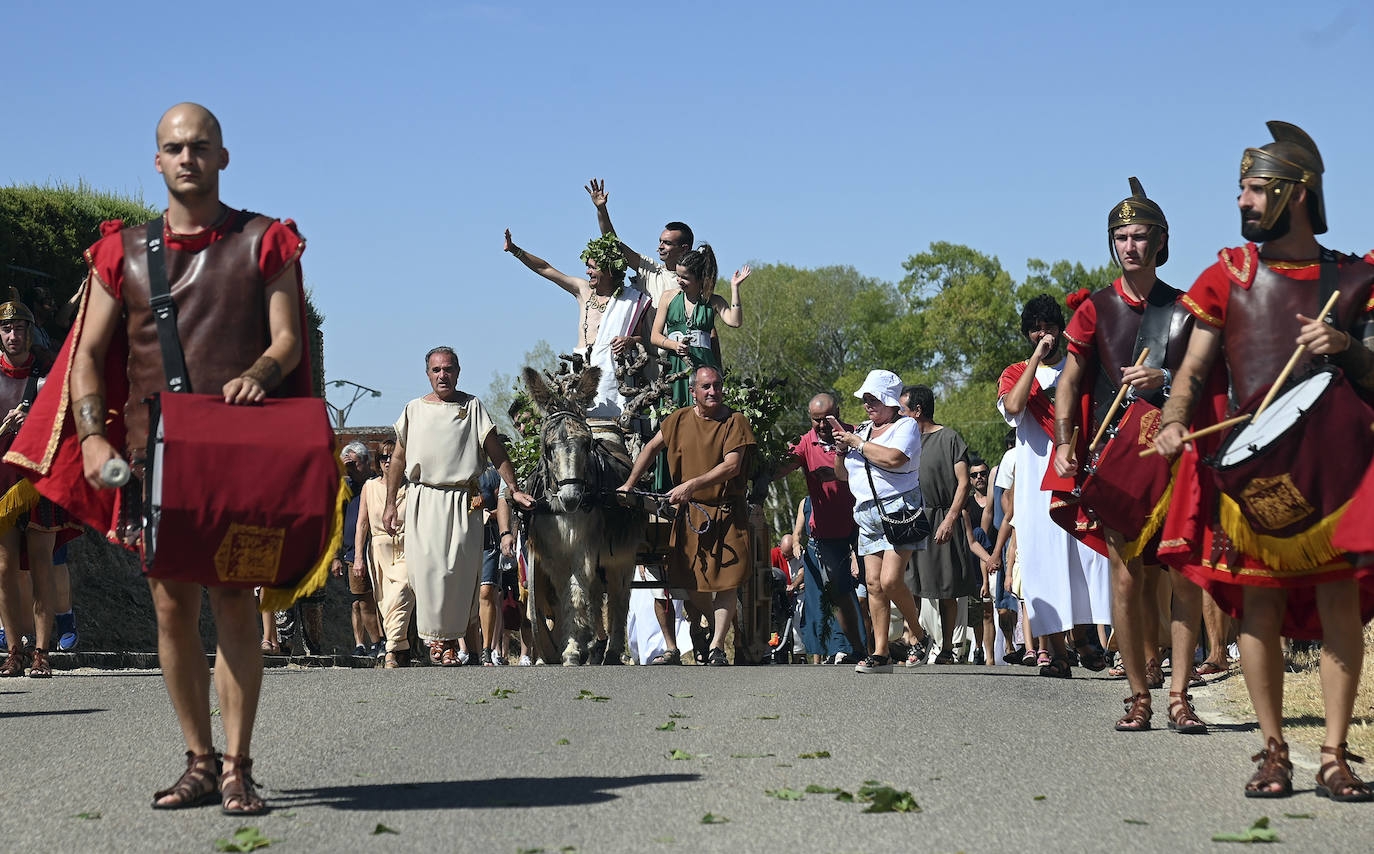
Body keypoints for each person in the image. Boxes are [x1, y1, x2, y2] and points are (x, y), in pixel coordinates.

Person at [15, 103, 317, 814]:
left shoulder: (265, 242)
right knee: (171, 607)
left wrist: (263, 377)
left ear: (223, 157)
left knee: (234, 603)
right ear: (157, 161)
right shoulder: (121, 253)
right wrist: (91, 437)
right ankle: (200, 760)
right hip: (156, 458)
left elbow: (288, 341)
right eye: (174, 148)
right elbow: (87, 356)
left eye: (200, 146)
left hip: (237, 455)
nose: (188, 157)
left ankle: (239, 765)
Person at [1154, 121, 1374, 800]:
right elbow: (1192, 370)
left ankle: (1335, 754)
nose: (1244, 202)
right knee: (1261, 607)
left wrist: (1346, 344)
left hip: (1334, 470)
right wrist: (1170, 420)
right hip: (1256, 473)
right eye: (1243, 190)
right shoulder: (1228, 274)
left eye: (1255, 190)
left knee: (1339, 602)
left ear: (1296, 193)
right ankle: (1273, 749)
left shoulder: (1356, 278)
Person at [1051, 179, 1205, 733]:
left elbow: (1210, 378)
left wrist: (1164, 377)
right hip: (1118, 458)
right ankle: (1139, 693)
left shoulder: (1185, 309)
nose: (1130, 246)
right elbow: (1069, 381)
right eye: (1121, 237)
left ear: (1161, 243)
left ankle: (1180, 696)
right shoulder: (1095, 308)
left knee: (1185, 576)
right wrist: (1066, 439)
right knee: (1124, 577)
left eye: (1141, 237)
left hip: (1174, 454)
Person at [383, 347, 533, 666]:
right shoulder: (413, 409)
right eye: (436, 370)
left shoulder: (472, 406)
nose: (442, 375)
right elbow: (398, 457)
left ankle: (451, 641)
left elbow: (496, 450)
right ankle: (439, 641)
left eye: (448, 369)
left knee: (458, 574)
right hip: (423, 498)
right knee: (427, 572)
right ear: (428, 374)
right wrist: (390, 504)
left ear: (458, 371)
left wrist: (514, 488)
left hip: (463, 500)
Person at [998, 295, 1111, 679]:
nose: (1043, 334)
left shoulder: (1078, 368)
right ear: (1028, 334)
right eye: (1035, 329)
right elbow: (1013, 407)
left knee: (1085, 558)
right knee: (1045, 562)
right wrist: (1035, 360)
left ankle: (1085, 638)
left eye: (1049, 326)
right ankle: (1057, 652)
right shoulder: (1015, 372)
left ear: (1062, 328)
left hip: (1076, 471)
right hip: (1035, 484)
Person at [618, 365, 756, 666]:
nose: (713, 391)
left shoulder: (735, 421)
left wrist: (690, 485)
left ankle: (718, 646)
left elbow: (732, 466)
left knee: (727, 581)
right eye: (706, 387)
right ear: (692, 391)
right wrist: (629, 484)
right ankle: (708, 622)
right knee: (694, 585)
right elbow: (651, 448)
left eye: (717, 385)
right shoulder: (677, 420)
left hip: (726, 513)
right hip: (691, 516)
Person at [827, 369, 926, 674]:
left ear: (889, 400)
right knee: (872, 584)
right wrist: (842, 451)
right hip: (867, 512)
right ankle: (881, 652)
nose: (867, 404)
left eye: (873, 398)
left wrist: (856, 442)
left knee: (890, 581)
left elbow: (894, 459)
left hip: (899, 510)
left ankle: (919, 636)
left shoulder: (905, 425)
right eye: (865, 399)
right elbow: (842, 475)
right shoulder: (864, 430)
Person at [503, 228, 653, 419]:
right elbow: (545, 269)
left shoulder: (631, 300)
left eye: (593, 267)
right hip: (580, 371)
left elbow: (642, 338)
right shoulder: (583, 291)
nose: (587, 271)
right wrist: (516, 250)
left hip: (612, 375)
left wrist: (629, 341)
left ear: (608, 270)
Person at [773, 393, 867, 661]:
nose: (822, 425)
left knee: (875, 585)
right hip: (827, 529)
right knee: (839, 591)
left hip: (861, 523)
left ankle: (879, 648)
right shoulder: (806, 443)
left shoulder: (856, 434)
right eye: (816, 421)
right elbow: (780, 468)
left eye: (827, 418)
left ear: (838, 411)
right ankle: (854, 650)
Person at [900, 385, 985, 664]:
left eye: (903, 409)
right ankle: (916, 640)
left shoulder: (949, 439)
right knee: (910, 583)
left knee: (946, 588)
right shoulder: (904, 441)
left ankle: (947, 649)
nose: (900, 414)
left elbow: (964, 483)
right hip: (912, 519)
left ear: (917, 410)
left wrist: (950, 518)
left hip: (942, 518)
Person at [0, 294, 61, 678]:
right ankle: (13, 651)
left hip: (40, 478)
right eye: (6, 329)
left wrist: (35, 420)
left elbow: (65, 421)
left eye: (19, 328)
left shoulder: (47, 373)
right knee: (4, 568)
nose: (12, 335)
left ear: (29, 332)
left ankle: (41, 651)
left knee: (42, 566)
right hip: (2, 480)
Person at [649, 245, 750, 407]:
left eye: (685, 277)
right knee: (674, 414)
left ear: (701, 278)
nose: (679, 281)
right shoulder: (668, 297)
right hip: (675, 366)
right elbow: (655, 336)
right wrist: (674, 345)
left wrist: (735, 288)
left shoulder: (714, 301)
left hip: (704, 366)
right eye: (678, 275)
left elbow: (735, 322)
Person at [586, 178, 694, 309]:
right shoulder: (650, 270)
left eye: (667, 243)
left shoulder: (696, 280)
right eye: (660, 242)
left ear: (684, 248)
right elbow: (614, 244)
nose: (660, 247)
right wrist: (601, 210)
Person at [354, 440, 414, 669]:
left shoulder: (411, 487)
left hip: (408, 546)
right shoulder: (369, 487)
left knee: (402, 593)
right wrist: (358, 557)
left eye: (392, 456)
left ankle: (389, 651)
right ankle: (402, 646)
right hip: (379, 549)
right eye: (383, 457)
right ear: (378, 462)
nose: (388, 461)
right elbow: (361, 525)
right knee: (384, 602)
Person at [334, 442, 381, 657]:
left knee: (378, 599)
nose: (350, 469)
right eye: (347, 466)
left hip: (378, 548)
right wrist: (336, 557)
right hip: (353, 552)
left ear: (365, 462)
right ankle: (365, 644)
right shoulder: (345, 488)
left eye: (353, 464)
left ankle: (381, 642)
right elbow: (336, 524)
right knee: (358, 600)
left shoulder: (377, 484)